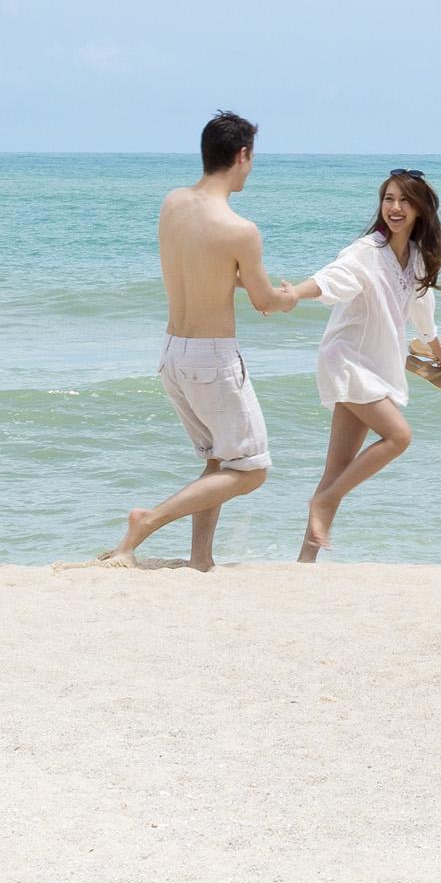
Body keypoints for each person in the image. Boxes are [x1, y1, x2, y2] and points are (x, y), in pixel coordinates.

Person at [90, 114, 299, 570]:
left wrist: (248, 281)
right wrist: (288, 298)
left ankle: (200, 559)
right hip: (213, 358)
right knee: (252, 470)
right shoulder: (239, 228)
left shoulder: (173, 203)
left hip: (172, 353)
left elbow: (205, 270)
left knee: (220, 463)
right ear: (242, 155)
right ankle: (148, 520)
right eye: (252, 159)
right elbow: (264, 300)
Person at [282, 168, 441, 561]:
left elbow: (420, 305)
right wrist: (295, 292)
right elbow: (334, 278)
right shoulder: (367, 251)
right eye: (388, 199)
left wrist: (436, 347)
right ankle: (324, 501)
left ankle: (305, 560)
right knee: (399, 437)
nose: (394, 207)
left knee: (340, 467)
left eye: (404, 201)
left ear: (419, 210)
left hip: (376, 362)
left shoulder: (413, 257)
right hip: (347, 359)